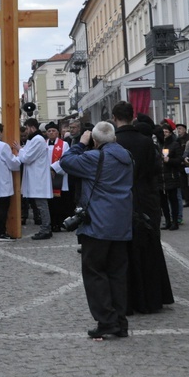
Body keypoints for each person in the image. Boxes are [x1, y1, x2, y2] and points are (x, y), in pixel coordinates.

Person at [60, 121, 133, 339]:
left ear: (95, 139)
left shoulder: (95, 157)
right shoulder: (127, 156)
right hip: (121, 224)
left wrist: (80, 144)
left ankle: (106, 321)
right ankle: (120, 322)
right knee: (117, 274)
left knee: (94, 273)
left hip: (98, 224)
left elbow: (66, 162)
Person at [112, 101, 173, 315]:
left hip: (122, 201)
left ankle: (128, 300)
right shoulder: (147, 142)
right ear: (132, 117)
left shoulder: (114, 143)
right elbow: (156, 169)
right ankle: (153, 298)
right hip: (147, 199)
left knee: (124, 251)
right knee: (149, 248)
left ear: (114, 118)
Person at [14, 118, 53, 240]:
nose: (25, 132)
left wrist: (19, 149)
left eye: (26, 128)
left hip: (38, 177)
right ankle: (45, 228)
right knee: (39, 204)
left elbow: (26, 157)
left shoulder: (38, 140)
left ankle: (46, 229)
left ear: (32, 127)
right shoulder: (34, 139)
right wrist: (22, 150)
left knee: (41, 204)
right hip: (35, 176)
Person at [45, 121, 70, 232]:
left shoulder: (64, 145)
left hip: (59, 176)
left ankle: (59, 223)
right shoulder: (43, 144)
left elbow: (66, 160)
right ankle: (51, 222)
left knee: (59, 202)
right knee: (49, 202)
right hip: (46, 177)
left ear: (58, 133)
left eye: (53, 131)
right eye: (49, 131)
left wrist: (54, 168)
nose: (51, 133)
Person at [158, 124, 182, 231]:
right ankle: (167, 221)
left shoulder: (174, 144)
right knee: (163, 201)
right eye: (162, 132)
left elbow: (179, 160)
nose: (164, 134)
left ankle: (175, 221)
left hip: (171, 175)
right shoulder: (158, 145)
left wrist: (170, 161)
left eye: (166, 132)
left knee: (173, 200)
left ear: (170, 133)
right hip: (161, 177)